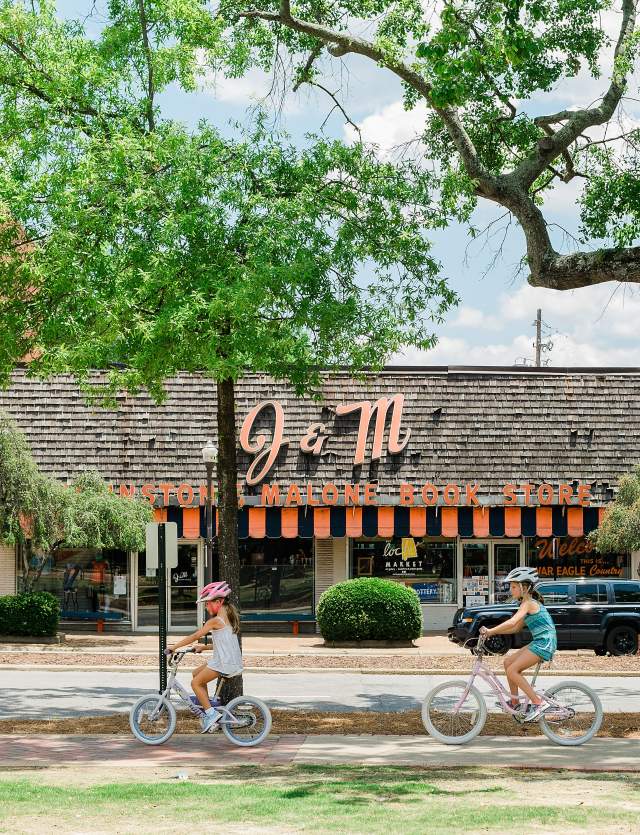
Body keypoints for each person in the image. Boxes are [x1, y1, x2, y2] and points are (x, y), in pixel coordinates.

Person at [479, 567, 557, 722]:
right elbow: (516, 628)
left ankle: (538, 703)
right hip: (539, 641)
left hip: (544, 643)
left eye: (514, 587)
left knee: (513, 670)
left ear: (524, 587)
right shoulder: (525, 604)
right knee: (508, 662)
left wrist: (490, 631)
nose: (511, 590)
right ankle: (515, 703)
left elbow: (513, 621)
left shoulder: (528, 603)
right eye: (511, 587)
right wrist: (494, 633)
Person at [167, 581, 242, 733]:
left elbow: (195, 635)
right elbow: (223, 644)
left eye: (208, 603)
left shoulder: (215, 621)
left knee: (195, 683)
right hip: (226, 661)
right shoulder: (227, 618)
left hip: (223, 663)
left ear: (219, 602)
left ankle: (211, 715)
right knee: (196, 673)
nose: (206, 607)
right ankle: (208, 706)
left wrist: (173, 647)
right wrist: (204, 647)